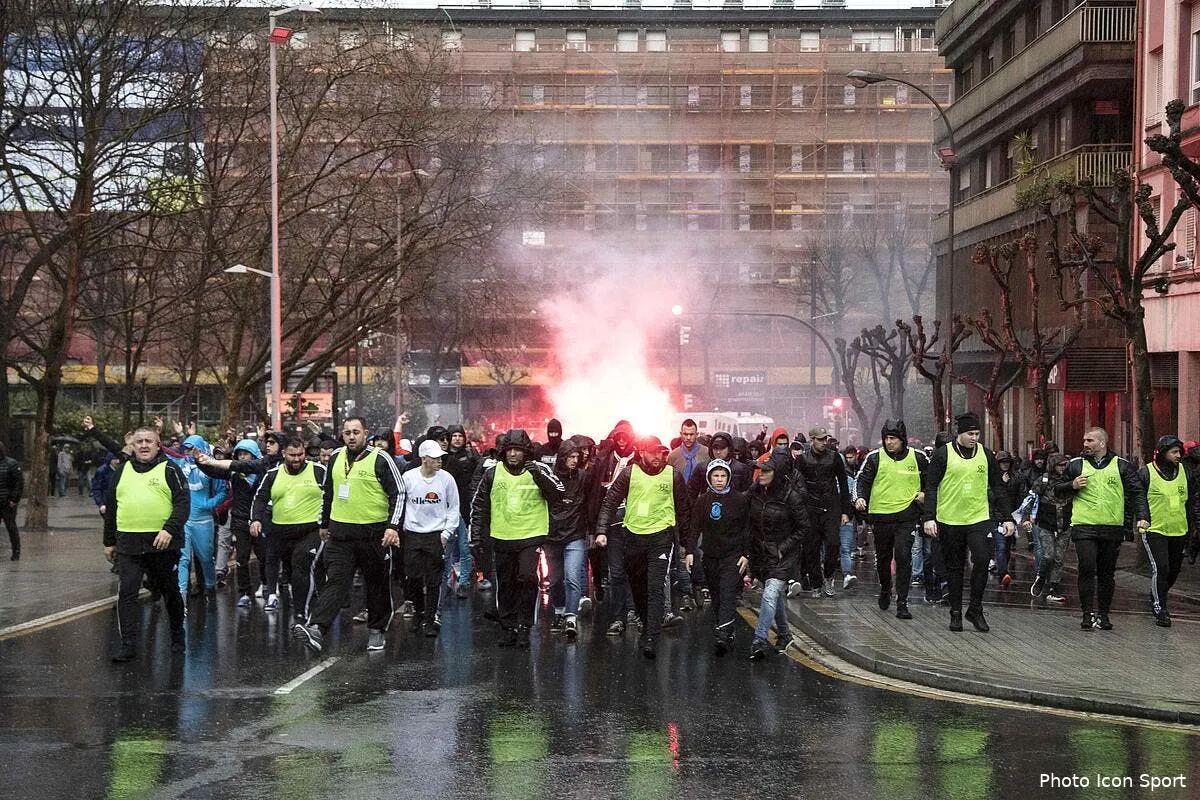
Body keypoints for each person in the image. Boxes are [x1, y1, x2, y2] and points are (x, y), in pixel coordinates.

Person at [295, 416, 405, 654]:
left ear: (366, 433)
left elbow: (399, 492)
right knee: (335, 582)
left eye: (356, 432)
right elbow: (328, 493)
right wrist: (323, 523)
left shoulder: (381, 458)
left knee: (376, 585)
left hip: (374, 535)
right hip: (340, 536)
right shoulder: (335, 457)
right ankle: (316, 629)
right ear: (342, 435)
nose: (352, 436)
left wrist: (392, 526)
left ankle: (377, 631)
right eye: (347, 433)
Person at [595, 435, 691, 659]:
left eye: (661, 452)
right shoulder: (630, 473)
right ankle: (646, 621)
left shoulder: (673, 475)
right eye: (652, 452)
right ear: (642, 452)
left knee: (655, 588)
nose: (657, 456)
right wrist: (601, 530)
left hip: (661, 537)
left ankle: (651, 637)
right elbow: (610, 501)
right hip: (634, 537)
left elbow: (684, 510)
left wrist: (686, 544)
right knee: (638, 588)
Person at [471, 429, 564, 648]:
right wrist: (475, 538)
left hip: (531, 535)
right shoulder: (492, 473)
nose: (513, 454)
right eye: (510, 450)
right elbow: (479, 505)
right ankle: (508, 626)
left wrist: (538, 475)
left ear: (526, 452)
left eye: (518, 450)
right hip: (502, 536)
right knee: (505, 584)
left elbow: (559, 493)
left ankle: (524, 626)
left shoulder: (539, 469)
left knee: (527, 578)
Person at [103, 427, 190, 662]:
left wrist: (169, 529)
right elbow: (111, 508)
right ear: (131, 445)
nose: (143, 445)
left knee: (169, 591)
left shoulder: (171, 469)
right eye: (138, 441)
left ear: (158, 444)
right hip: (128, 543)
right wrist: (108, 542)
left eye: (148, 441)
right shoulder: (121, 471)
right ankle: (128, 645)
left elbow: (183, 503)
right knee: (127, 592)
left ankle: (177, 635)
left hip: (162, 543)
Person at [923, 412, 1014, 633]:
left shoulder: (986, 455)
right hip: (949, 519)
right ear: (960, 434)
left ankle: (975, 608)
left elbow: (998, 487)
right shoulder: (943, 454)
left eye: (977, 433)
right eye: (970, 433)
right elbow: (931, 487)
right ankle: (955, 612)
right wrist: (929, 517)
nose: (974, 437)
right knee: (955, 567)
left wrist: (1008, 517)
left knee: (982, 560)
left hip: (978, 517)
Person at [1054, 427, 1146, 631]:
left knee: (1106, 573)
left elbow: (1137, 491)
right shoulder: (1075, 465)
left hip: (1111, 527)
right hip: (1083, 526)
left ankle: (1104, 614)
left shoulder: (1122, 466)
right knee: (1086, 567)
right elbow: (1056, 490)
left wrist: (1142, 517)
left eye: (1090, 440)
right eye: (1084, 440)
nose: (1085, 444)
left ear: (1103, 443)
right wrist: (1072, 485)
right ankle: (1087, 614)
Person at [853, 419, 929, 620]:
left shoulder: (918, 458)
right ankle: (885, 588)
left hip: (907, 517)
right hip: (881, 517)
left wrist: (924, 495)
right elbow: (862, 480)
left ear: (902, 439)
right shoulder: (874, 458)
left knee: (904, 556)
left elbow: (933, 482)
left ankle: (902, 601)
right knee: (883, 559)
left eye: (893, 438)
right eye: (886, 438)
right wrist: (860, 497)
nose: (889, 442)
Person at [250, 439, 328, 623]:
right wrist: (256, 519)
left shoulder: (318, 471)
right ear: (284, 453)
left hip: (311, 530)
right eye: (292, 455)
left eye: (300, 455)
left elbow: (331, 494)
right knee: (290, 570)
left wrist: (328, 522)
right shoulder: (272, 475)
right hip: (281, 531)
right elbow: (260, 498)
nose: (297, 459)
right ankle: (296, 599)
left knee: (302, 563)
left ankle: (301, 613)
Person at [746, 451, 809, 660]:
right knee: (776, 596)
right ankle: (785, 634)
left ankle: (759, 640)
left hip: (784, 555)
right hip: (762, 554)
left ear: (778, 472)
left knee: (770, 594)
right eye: (759, 470)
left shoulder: (791, 496)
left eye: (766, 471)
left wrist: (783, 547)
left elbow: (803, 527)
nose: (760, 474)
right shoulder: (755, 491)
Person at [685, 459, 750, 656]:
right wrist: (689, 551)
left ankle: (722, 633)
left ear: (729, 477)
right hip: (711, 556)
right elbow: (694, 527)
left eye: (723, 476)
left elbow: (747, 528)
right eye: (716, 476)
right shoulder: (702, 500)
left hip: (733, 556)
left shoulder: (739, 499)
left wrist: (746, 555)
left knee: (728, 592)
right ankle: (726, 628)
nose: (720, 479)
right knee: (716, 595)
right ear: (709, 478)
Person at [196, 439, 272, 606]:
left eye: (246, 453)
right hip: (239, 519)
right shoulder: (234, 473)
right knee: (242, 557)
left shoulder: (263, 471)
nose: (242, 457)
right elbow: (213, 472)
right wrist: (200, 462)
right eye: (239, 454)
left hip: (260, 520)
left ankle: (267, 584)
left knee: (263, 555)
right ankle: (244, 592)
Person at [399, 439, 460, 637]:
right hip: (413, 535)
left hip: (436, 535)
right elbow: (400, 503)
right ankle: (419, 610)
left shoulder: (447, 479)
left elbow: (454, 508)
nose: (439, 461)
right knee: (413, 578)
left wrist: (446, 534)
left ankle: (431, 618)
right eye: (435, 458)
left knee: (434, 580)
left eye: (440, 457)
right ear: (424, 459)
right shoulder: (408, 477)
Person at [1135, 435, 1197, 628]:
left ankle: (1157, 593)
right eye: (1174, 452)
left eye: (1179, 452)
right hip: (1155, 529)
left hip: (1179, 529)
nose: (1178, 456)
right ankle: (1160, 608)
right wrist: (1140, 518)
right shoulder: (1146, 473)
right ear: (1162, 453)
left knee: (1174, 570)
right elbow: (1138, 498)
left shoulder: (1185, 472)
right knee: (1161, 568)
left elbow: (1191, 500)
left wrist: (1194, 525)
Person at [794, 425, 852, 598]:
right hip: (810, 508)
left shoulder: (834, 457)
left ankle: (828, 576)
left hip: (831, 506)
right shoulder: (803, 459)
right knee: (811, 548)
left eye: (825, 439)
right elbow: (796, 483)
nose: (823, 442)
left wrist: (845, 511)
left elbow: (843, 483)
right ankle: (816, 583)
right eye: (820, 439)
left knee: (833, 544)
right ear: (812, 440)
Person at [545, 438, 591, 639]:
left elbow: (590, 503)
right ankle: (559, 612)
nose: (574, 460)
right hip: (552, 536)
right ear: (562, 458)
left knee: (572, 576)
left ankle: (571, 616)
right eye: (570, 457)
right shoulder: (550, 478)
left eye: (576, 457)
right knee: (555, 580)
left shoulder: (583, 477)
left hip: (575, 534)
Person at [172, 435, 228, 599]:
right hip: (185, 520)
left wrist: (208, 504)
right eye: (187, 448)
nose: (189, 452)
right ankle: (181, 593)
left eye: (193, 448)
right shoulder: (180, 466)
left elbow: (223, 491)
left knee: (205, 557)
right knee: (183, 558)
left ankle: (210, 586)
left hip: (203, 521)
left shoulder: (210, 467)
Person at [441, 424, 479, 599]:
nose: (457, 439)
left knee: (463, 546)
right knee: (448, 548)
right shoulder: (441, 458)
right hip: (442, 508)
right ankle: (448, 581)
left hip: (463, 506)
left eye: (460, 436)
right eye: (453, 436)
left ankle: (463, 581)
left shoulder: (471, 456)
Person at [0, 442, 22, 560]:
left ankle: (16, 552)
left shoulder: (11, 464)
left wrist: (14, 499)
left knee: (11, 527)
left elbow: (18, 483)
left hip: (7, 502)